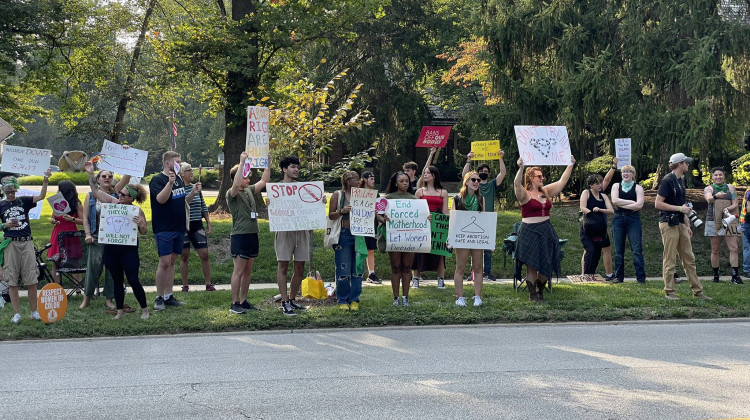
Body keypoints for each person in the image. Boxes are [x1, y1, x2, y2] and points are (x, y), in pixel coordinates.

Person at [513, 156, 575, 303]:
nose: (542, 178)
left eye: (542, 176)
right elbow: (516, 184)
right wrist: (521, 168)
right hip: (529, 231)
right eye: (539, 176)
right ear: (531, 178)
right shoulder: (524, 194)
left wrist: (570, 164)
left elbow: (562, 181)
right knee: (532, 265)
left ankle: (541, 291)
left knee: (547, 262)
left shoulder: (545, 191)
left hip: (546, 230)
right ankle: (532, 294)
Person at [654, 153, 711, 301]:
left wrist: (687, 223)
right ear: (680, 164)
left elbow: (682, 205)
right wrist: (680, 210)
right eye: (686, 162)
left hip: (680, 223)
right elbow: (658, 203)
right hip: (668, 222)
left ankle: (698, 292)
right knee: (670, 258)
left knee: (689, 258)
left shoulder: (681, 180)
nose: (688, 165)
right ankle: (669, 291)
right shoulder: (668, 180)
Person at [92, 183, 150, 319]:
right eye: (120, 193)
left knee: (133, 279)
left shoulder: (136, 210)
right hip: (111, 249)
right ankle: (119, 311)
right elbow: (95, 192)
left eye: (123, 195)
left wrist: (140, 223)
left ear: (131, 198)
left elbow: (144, 231)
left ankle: (145, 310)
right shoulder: (113, 205)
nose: (120, 196)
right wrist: (90, 175)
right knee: (117, 280)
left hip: (129, 250)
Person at [1, 170, 51, 323]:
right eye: (8, 191)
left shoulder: (23, 201)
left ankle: (34, 311)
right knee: (12, 279)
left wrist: (45, 180)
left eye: (12, 191)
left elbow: (41, 196)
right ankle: (16, 313)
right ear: (3, 191)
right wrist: (5, 224)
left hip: (26, 241)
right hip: (11, 243)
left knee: (31, 279)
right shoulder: (1, 205)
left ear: (16, 189)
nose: (10, 194)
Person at [81, 163, 130, 310]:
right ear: (98, 180)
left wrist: (127, 159)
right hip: (96, 237)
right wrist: (88, 234)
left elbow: (126, 178)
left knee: (112, 269)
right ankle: (86, 299)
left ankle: (110, 299)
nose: (108, 178)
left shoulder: (116, 194)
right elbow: (85, 218)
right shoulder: (91, 195)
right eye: (104, 176)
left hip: (113, 238)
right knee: (93, 269)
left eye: (110, 176)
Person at [227, 152, 270, 314]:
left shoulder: (250, 190)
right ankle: (234, 302)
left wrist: (268, 163)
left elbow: (264, 180)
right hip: (240, 236)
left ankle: (244, 300)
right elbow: (237, 184)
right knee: (238, 270)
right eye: (246, 176)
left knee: (247, 271)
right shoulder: (232, 193)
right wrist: (241, 162)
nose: (248, 179)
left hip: (253, 234)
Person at [273, 156, 312, 315]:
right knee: (283, 266)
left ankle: (292, 298)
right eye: (292, 167)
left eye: (297, 167)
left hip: (302, 230)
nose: (296, 170)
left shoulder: (304, 188)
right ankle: (284, 301)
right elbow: (274, 213)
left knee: (300, 268)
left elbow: (312, 206)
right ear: (284, 169)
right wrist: (270, 204)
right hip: (284, 231)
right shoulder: (276, 190)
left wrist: (320, 201)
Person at [150, 151, 188, 310]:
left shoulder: (179, 179)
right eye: (177, 161)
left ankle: (168, 295)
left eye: (180, 161)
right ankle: (158, 297)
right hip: (164, 228)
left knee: (172, 261)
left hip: (178, 227)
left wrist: (193, 192)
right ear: (167, 163)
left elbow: (182, 200)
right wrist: (170, 183)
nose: (179, 164)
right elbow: (161, 199)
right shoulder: (157, 180)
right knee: (164, 262)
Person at [462, 149, 506, 281]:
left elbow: (502, 173)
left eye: (486, 172)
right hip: (474, 218)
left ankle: (487, 272)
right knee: (474, 245)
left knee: (487, 247)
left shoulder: (492, 184)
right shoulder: (473, 184)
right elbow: (465, 174)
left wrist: (500, 158)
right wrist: (469, 160)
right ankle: (474, 273)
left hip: (488, 219)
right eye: (481, 172)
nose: (483, 173)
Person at [377, 172, 417, 306]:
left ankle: (406, 297)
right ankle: (396, 298)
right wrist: (384, 219)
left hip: (410, 238)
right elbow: (378, 215)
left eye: (407, 181)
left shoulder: (414, 199)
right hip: (394, 237)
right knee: (395, 267)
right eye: (401, 181)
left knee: (407, 267)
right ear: (395, 183)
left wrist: (426, 218)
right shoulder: (388, 198)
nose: (405, 183)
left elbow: (421, 216)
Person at [412, 148, 450, 289]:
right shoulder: (419, 192)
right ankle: (416, 278)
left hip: (437, 225)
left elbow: (446, 211)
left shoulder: (443, 192)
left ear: (434, 176)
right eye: (425, 173)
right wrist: (432, 154)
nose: (425, 175)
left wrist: (446, 221)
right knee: (419, 251)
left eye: (428, 173)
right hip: (423, 224)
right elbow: (415, 211)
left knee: (440, 252)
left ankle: (440, 279)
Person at [329, 171, 364, 311]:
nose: (359, 181)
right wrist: (342, 211)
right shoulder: (338, 195)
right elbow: (331, 216)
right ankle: (342, 298)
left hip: (359, 234)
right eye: (356, 179)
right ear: (348, 181)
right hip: (344, 234)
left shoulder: (362, 195)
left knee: (358, 268)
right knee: (343, 268)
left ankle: (354, 298)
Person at [178, 162, 215, 292]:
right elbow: (183, 204)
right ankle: (185, 285)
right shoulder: (179, 188)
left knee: (204, 254)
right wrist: (193, 192)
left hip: (197, 224)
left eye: (192, 170)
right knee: (184, 255)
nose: (192, 172)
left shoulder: (197, 188)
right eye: (189, 170)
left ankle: (208, 283)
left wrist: (208, 223)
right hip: (184, 225)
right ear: (182, 173)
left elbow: (203, 206)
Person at [452, 171, 486, 307]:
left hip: (476, 236)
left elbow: (484, 220)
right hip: (462, 236)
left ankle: (477, 296)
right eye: (473, 180)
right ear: (466, 182)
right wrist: (452, 238)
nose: (476, 182)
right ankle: (460, 297)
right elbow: (453, 220)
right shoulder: (457, 198)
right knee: (460, 267)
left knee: (478, 267)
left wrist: (487, 239)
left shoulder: (481, 199)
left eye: (478, 180)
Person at [704, 166, 742, 284]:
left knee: (734, 248)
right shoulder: (709, 188)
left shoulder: (730, 187)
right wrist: (716, 196)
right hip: (713, 220)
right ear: (712, 177)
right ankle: (716, 275)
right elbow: (709, 200)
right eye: (716, 175)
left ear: (724, 176)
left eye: (720, 175)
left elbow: (735, 203)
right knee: (715, 249)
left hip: (729, 220)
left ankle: (735, 276)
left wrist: (727, 209)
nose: (718, 177)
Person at [610, 165, 646, 283]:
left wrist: (623, 204)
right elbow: (614, 200)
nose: (626, 174)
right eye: (624, 172)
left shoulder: (638, 188)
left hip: (633, 220)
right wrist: (632, 203)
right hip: (618, 219)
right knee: (618, 250)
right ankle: (618, 277)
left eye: (629, 172)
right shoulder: (616, 186)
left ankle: (640, 278)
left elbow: (639, 205)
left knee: (636, 250)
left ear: (633, 175)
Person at [47, 180, 84, 284]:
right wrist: (52, 220)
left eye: (59, 189)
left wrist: (72, 219)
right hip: (58, 232)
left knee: (74, 261)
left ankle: (77, 288)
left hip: (71, 232)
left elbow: (84, 221)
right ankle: (57, 287)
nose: (57, 191)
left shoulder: (77, 204)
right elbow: (52, 217)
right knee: (56, 261)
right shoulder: (57, 202)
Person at [579, 174, 614, 275]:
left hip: (600, 228)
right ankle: (585, 274)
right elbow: (583, 207)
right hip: (588, 227)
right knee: (590, 249)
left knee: (599, 250)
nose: (600, 185)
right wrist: (591, 214)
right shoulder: (586, 193)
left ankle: (604, 274)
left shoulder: (603, 196)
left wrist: (600, 210)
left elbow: (611, 211)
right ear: (591, 185)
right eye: (597, 183)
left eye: (601, 183)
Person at [359, 171, 381, 284]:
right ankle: (358, 272)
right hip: (359, 225)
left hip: (372, 225)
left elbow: (380, 209)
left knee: (370, 250)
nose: (373, 181)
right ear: (364, 179)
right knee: (359, 249)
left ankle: (371, 273)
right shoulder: (358, 192)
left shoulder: (376, 194)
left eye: (374, 178)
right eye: (371, 178)